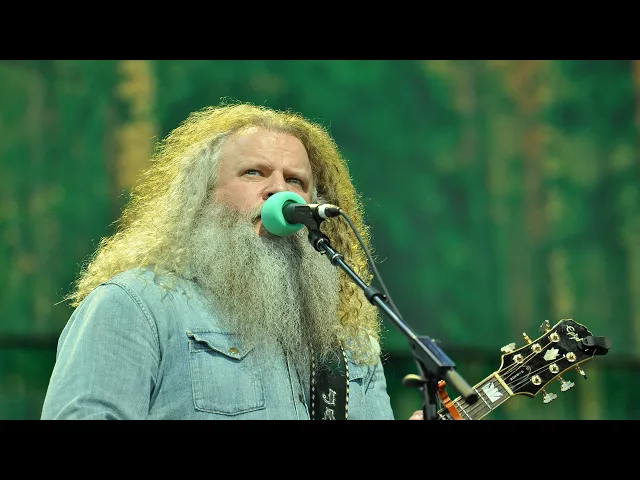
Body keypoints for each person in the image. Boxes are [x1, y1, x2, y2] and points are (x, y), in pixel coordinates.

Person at [41, 101, 422, 420]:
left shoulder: (348, 341)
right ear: (201, 195)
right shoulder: (134, 305)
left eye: (296, 181)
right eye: (254, 173)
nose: (279, 190)